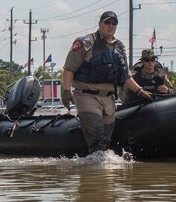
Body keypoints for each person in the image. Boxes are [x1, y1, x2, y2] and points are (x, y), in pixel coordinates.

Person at [61, 11, 153, 153]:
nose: (111, 26)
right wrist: (66, 91)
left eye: (114, 23)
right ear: (99, 24)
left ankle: (103, 172)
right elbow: (69, 69)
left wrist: (140, 91)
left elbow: (126, 77)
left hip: (109, 98)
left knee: (106, 142)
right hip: (87, 95)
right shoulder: (85, 42)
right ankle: (97, 172)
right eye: (107, 22)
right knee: (97, 138)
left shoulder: (119, 47)